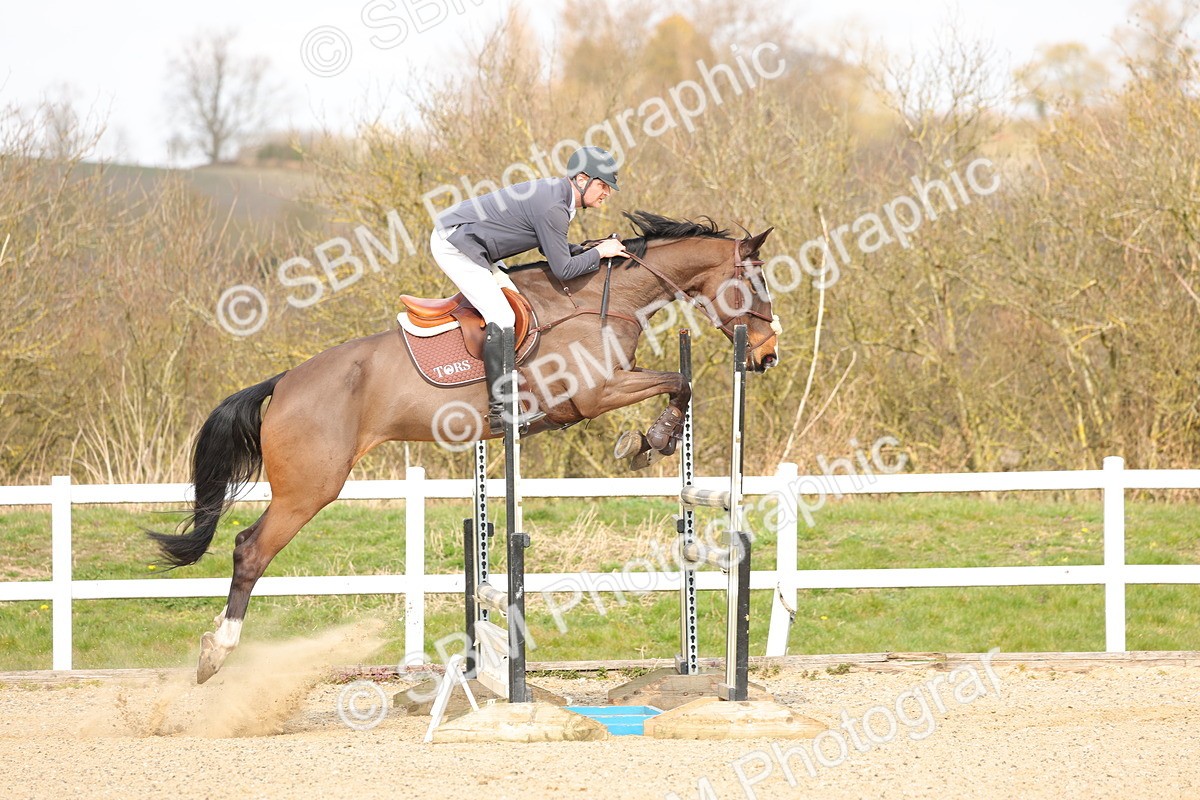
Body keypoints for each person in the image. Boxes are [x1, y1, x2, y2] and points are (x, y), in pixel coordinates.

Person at [431, 146, 629, 432]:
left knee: (521, 306)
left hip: (473, 242)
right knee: (503, 316)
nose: (607, 193)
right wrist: (600, 254)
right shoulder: (554, 207)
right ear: (582, 179)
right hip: (455, 243)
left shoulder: (557, 197)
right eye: (602, 185)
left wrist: (593, 249)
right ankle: (500, 409)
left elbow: (553, 248)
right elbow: (563, 269)